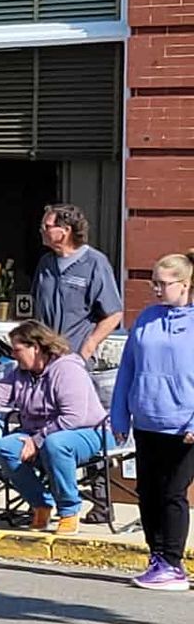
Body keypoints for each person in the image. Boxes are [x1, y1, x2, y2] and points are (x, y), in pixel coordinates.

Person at [0, 319, 108, 533]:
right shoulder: (19, 373)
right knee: (5, 447)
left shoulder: (67, 369)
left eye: (17, 349)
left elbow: (74, 416)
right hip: (39, 433)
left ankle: (69, 511)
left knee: (56, 444)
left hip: (88, 431)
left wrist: (36, 441)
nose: (13, 355)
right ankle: (41, 504)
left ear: (36, 347)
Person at [109, 253, 194, 590]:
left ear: (185, 284)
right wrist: (120, 414)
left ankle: (173, 563)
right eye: (153, 282)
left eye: (164, 283)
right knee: (148, 492)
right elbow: (127, 368)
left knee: (173, 493)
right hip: (147, 420)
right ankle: (156, 556)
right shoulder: (146, 318)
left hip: (183, 426)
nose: (157, 289)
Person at [33, 203, 123, 362]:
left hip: (75, 358)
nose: (42, 230)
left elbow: (114, 314)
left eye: (47, 226)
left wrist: (89, 346)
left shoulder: (95, 263)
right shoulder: (45, 263)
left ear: (66, 231)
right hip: (44, 359)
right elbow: (37, 308)